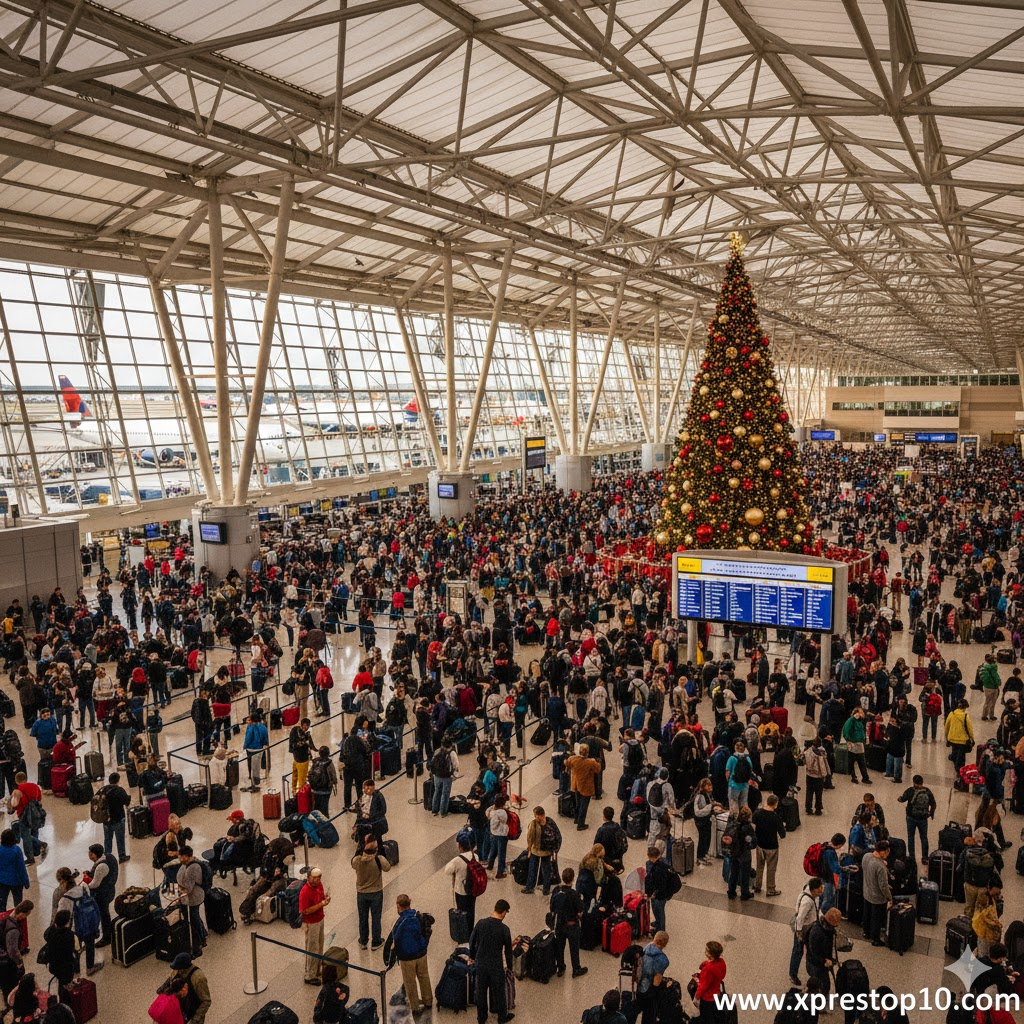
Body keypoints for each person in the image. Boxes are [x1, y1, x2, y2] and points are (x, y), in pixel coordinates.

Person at [383, 894, 432, 1014]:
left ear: (399, 906)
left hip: (407, 958)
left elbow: (395, 940)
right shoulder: (418, 916)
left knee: (410, 982)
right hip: (421, 953)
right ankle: (428, 1001)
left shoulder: (398, 922)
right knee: (424, 976)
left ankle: (415, 1006)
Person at [467, 899, 515, 1024]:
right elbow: (508, 951)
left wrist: (472, 956)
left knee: (481, 992)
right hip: (496, 966)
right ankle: (502, 1018)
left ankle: (481, 1018)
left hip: (481, 964)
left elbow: (472, 941)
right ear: (504, 912)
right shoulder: (504, 929)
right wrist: (509, 967)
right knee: (499, 992)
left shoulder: (481, 923)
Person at [56, 871, 103, 976]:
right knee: (90, 945)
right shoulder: (84, 888)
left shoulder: (65, 899)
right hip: (89, 924)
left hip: (75, 929)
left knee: (76, 950)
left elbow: (62, 916)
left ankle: (76, 972)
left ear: (63, 883)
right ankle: (90, 967)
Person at [351, 834, 391, 950]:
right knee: (376, 918)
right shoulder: (379, 859)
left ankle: (363, 941)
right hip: (376, 892)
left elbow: (353, 863)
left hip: (361, 893)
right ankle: (376, 941)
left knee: (362, 918)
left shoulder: (357, 860)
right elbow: (387, 868)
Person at [548, 867, 587, 978]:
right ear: (573, 879)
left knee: (560, 947)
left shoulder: (556, 890)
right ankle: (576, 969)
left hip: (559, 924)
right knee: (574, 948)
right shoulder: (574, 894)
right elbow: (580, 913)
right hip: (572, 925)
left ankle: (560, 967)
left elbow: (552, 908)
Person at [789, 877, 824, 987]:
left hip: (811, 925)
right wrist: (799, 933)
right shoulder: (807, 900)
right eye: (818, 890)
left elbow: (817, 909)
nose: (821, 892)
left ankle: (811, 973)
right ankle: (793, 975)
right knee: (798, 951)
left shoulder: (814, 895)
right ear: (813, 890)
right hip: (804, 928)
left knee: (809, 950)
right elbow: (800, 918)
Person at [299, 867, 331, 985]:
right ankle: (310, 975)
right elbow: (305, 911)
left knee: (320, 945)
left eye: (319, 877)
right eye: (315, 877)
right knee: (312, 948)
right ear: (308, 877)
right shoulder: (305, 891)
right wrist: (321, 904)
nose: (317, 879)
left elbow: (321, 897)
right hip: (311, 923)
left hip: (320, 919)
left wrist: (325, 899)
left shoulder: (319, 885)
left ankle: (316, 969)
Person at [9, 770, 47, 865]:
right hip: (36, 813)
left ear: (16, 780)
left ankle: (31, 856)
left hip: (24, 814)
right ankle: (36, 851)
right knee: (34, 831)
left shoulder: (18, 790)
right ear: (26, 779)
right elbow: (39, 799)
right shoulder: (35, 786)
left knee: (25, 835)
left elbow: (15, 804)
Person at [897, 774, 936, 865]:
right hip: (923, 819)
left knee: (911, 837)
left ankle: (912, 858)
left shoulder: (910, 791)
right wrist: (931, 813)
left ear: (914, 782)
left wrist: (899, 799)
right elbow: (933, 804)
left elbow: (902, 799)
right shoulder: (927, 791)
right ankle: (925, 858)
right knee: (924, 838)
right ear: (922, 782)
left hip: (911, 817)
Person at [175, 846, 207, 956]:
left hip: (194, 897)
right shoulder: (188, 864)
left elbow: (188, 888)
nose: (179, 858)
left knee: (194, 918)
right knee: (195, 916)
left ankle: (201, 939)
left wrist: (180, 888)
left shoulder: (192, 868)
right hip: (192, 896)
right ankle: (202, 933)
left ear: (185, 856)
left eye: (180, 856)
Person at [752, 794, 786, 897]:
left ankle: (757, 885)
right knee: (771, 868)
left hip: (759, 844)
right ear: (775, 804)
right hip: (772, 846)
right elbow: (783, 835)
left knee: (759, 866)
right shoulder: (776, 817)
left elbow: (753, 823)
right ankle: (770, 889)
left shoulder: (757, 813)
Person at [522, 805, 559, 896]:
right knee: (546, 871)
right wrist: (555, 850)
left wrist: (529, 848)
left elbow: (530, 837)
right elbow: (558, 835)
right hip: (547, 852)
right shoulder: (550, 822)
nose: (535, 817)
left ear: (541, 815)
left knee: (532, 870)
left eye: (536, 815)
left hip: (536, 851)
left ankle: (529, 887)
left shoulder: (533, 824)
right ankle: (546, 890)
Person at [42, 909, 78, 1001]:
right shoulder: (68, 935)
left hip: (54, 964)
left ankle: (62, 998)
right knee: (65, 986)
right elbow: (70, 953)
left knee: (61, 983)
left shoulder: (51, 931)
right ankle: (65, 1002)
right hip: (65, 967)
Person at [85, 843, 118, 947]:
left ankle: (106, 937)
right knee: (104, 913)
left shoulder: (101, 866)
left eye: (91, 854)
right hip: (110, 889)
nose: (89, 856)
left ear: (96, 854)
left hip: (102, 894)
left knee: (103, 915)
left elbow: (95, 884)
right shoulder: (110, 857)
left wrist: (85, 886)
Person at [445, 835, 480, 931]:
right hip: (472, 888)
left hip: (461, 890)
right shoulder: (475, 856)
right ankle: (470, 929)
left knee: (462, 911)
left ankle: (463, 931)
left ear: (460, 846)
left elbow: (447, 871)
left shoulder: (457, 860)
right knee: (471, 910)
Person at [860, 840, 892, 946]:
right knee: (876, 919)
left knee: (867, 914)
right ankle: (875, 939)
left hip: (866, 891)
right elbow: (883, 886)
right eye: (887, 852)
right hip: (877, 897)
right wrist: (889, 898)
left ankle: (866, 932)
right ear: (883, 851)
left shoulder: (866, 856)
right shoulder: (880, 867)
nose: (887, 854)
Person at [165, 952, 212, 1024]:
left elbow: (206, 1001)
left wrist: (195, 1019)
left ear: (183, 968)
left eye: (179, 969)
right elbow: (171, 980)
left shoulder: (198, 978)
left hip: (193, 1013)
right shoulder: (177, 969)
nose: (177, 971)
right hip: (181, 1011)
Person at [96, 772, 132, 863]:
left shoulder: (103, 790)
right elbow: (126, 802)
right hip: (118, 819)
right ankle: (122, 856)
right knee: (120, 839)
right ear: (118, 780)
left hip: (106, 819)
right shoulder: (119, 790)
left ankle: (107, 857)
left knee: (108, 839)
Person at [805, 908, 841, 995]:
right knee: (821, 986)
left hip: (820, 963)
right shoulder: (817, 933)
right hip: (816, 964)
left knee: (824, 984)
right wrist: (824, 961)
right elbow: (814, 952)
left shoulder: (822, 926)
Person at [566, 743, 601, 830]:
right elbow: (598, 769)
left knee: (578, 803)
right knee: (584, 806)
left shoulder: (573, 759)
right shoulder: (590, 762)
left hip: (576, 784)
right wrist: (597, 761)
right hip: (586, 786)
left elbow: (567, 763)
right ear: (587, 753)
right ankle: (581, 824)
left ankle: (576, 819)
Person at [0, 900, 31, 998]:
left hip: (2, 957)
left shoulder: (6, 919)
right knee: (10, 987)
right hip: (7, 963)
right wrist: (20, 963)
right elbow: (12, 951)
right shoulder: (13, 930)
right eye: (26, 915)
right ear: (21, 914)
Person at [690, 938, 724, 1024]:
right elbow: (722, 974)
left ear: (710, 954)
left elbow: (703, 986)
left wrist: (696, 997)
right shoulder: (721, 962)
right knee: (712, 1014)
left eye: (706, 951)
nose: (705, 952)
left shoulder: (708, 969)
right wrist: (706, 963)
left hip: (707, 998)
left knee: (706, 1016)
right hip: (716, 992)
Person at [643, 845, 676, 936]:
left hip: (660, 895)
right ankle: (657, 923)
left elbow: (659, 884)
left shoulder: (657, 868)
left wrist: (654, 893)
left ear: (652, 857)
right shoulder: (664, 862)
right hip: (664, 893)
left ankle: (660, 931)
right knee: (656, 909)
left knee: (659, 911)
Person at [726, 806, 756, 901]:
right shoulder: (748, 828)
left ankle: (731, 892)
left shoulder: (735, 824)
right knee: (744, 874)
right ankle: (744, 893)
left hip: (734, 852)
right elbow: (751, 842)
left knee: (734, 872)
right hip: (744, 854)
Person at [0, 828, 29, 910]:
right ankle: (17, 917)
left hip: (2, 881)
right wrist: (26, 882)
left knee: (1, 904)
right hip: (16, 881)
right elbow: (21, 868)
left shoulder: (0, 850)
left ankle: (2, 917)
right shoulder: (16, 851)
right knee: (18, 904)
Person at [944, 700, 974, 777]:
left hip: (952, 739)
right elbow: (970, 729)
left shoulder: (952, 714)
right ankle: (959, 772)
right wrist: (972, 739)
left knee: (955, 753)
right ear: (964, 707)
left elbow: (946, 726)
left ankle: (956, 767)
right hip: (962, 741)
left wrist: (947, 737)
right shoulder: (965, 716)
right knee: (961, 757)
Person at [429, 739, 458, 817]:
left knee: (436, 791)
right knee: (445, 794)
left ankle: (434, 810)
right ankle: (443, 812)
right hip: (447, 776)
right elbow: (456, 765)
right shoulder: (452, 753)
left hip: (437, 775)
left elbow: (432, 763)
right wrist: (454, 775)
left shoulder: (437, 751)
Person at [691, 779, 717, 866]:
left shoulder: (708, 794)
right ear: (703, 786)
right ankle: (700, 857)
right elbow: (698, 811)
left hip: (706, 819)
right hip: (700, 820)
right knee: (702, 838)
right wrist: (710, 806)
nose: (710, 787)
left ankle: (704, 854)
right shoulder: (699, 796)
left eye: (710, 785)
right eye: (707, 785)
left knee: (707, 837)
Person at [841, 708, 871, 784]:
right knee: (855, 762)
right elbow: (846, 731)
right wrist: (849, 740)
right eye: (861, 713)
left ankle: (864, 777)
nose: (863, 714)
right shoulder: (851, 721)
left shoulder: (859, 721)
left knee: (861, 761)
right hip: (853, 744)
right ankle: (855, 777)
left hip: (859, 744)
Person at [241, 714, 269, 792]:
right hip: (259, 749)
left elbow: (248, 738)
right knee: (257, 766)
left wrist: (244, 746)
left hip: (251, 749)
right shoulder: (263, 727)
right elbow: (266, 738)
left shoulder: (250, 727)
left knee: (251, 767)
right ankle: (256, 782)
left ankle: (253, 784)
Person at [485, 794, 510, 879]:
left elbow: (488, 811)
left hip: (494, 834)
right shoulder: (501, 813)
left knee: (493, 851)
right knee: (501, 854)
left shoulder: (491, 811)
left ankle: (490, 865)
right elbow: (495, 823)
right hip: (501, 835)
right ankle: (500, 872)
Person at [724, 740, 753, 812]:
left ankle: (735, 817)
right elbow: (750, 770)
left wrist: (728, 781)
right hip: (745, 784)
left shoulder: (731, 758)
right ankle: (744, 816)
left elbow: (728, 772)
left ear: (735, 748)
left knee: (733, 802)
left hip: (734, 784)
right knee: (744, 802)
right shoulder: (747, 758)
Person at [308, 746, 337, 815]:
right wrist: (334, 784)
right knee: (324, 807)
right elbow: (333, 776)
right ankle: (325, 818)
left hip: (315, 789)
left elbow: (309, 773)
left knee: (316, 806)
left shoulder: (314, 761)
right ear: (328, 753)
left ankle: (316, 818)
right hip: (326, 790)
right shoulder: (329, 763)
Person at [289, 718, 314, 791]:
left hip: (296, 758)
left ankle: (294, 791)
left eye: (308, 726)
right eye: (306, 725)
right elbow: (307, 745)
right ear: (302, 725)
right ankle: (300, 794)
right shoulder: (304, 735)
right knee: (302, 780)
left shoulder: (294, 730)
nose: (307, 727)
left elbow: (291, 746)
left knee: (295, 777)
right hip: (302, 760)